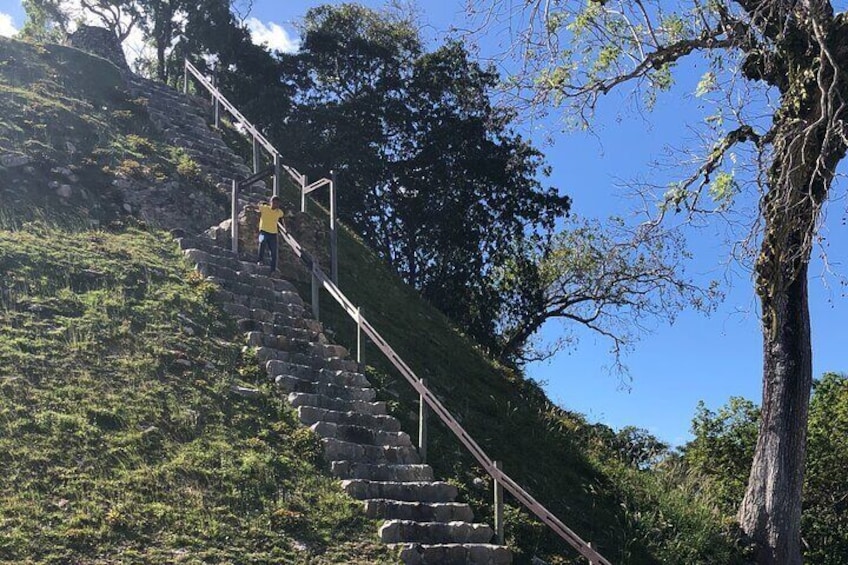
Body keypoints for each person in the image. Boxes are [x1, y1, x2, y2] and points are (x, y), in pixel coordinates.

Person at [257, 196, 284, 272]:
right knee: (262, 242)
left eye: (277, 203)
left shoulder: (279, 212)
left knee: (274, 252)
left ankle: (273, 270)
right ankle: (260, 260)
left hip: (273, 234)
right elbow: (257, 207)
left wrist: (285, 228)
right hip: (263, 231)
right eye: (274, 203)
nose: (275, 205)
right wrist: (249, 207)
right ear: (270, 202)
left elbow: (282, 217)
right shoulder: (265, 208)